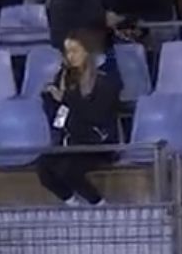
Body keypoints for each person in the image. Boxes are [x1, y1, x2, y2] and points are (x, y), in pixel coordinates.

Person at [37, 29, 121, 206]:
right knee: (43, 167)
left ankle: (99, 204)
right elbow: (58, 115)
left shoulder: (105, 81)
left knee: (68, 169)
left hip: (96, 142)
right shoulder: (64, 78)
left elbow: (95, 115)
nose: (70, 56)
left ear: (87, 51)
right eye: (67, 51)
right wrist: (50, 98)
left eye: (75, 50)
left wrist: (65, 98)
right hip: (70, 142)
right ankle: (72, 203)